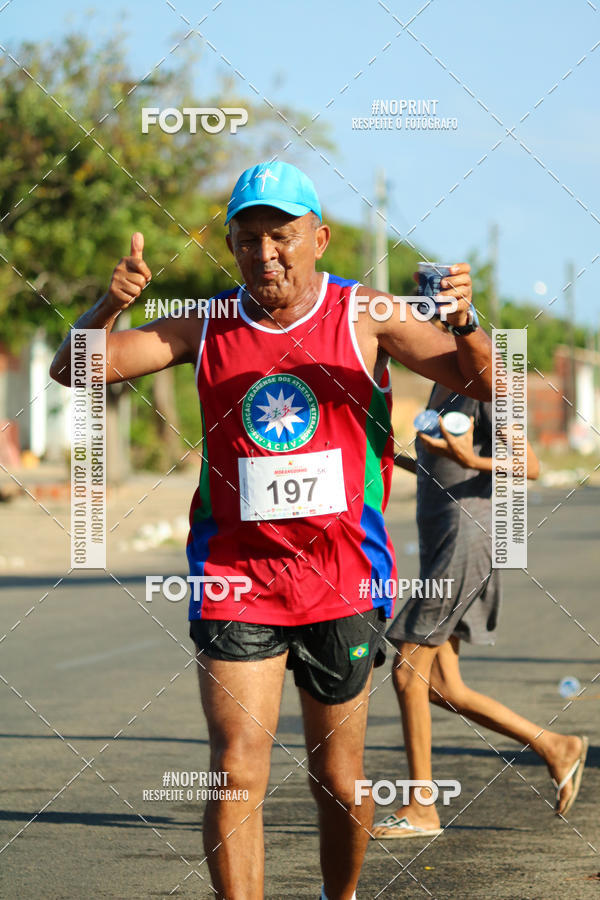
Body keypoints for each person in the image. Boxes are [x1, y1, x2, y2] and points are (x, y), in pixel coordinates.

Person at [50, 161, 493, 899]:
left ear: (319, 239)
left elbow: (490, 384)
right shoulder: (206, 322)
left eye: (282, 235)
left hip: (343, 577)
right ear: (231, 246)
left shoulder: (366, 314)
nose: (266, 253)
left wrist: (467, 324)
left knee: (339, 780)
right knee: (235, 768)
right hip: (236, 576)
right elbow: (75, 369)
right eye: (248, 238)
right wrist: (107, 307)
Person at [373, 384, 588, 840]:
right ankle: (556, 746)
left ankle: (422, 807)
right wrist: (388, 458)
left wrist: (471, 458)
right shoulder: (442, 383)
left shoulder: (484, 386)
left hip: (465, 539)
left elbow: (530, 466)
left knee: (409, 671)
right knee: (442, 686)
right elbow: (443, 468)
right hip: (442, 542)